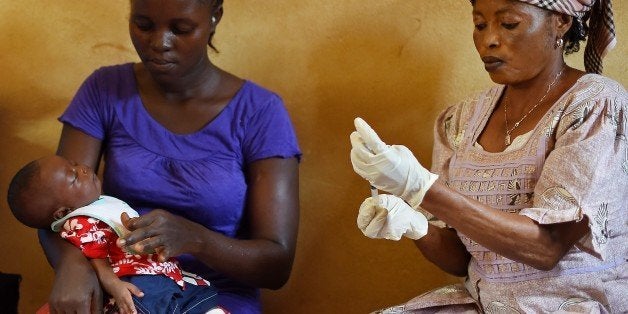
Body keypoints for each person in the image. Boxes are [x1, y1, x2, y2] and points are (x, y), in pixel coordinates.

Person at [350, 0, 626, 312]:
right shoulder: (462, 120)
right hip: (485, 303)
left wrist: (420, 189)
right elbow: (460, 259)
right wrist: (414, 225)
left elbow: (545, 247)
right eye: (480, 24)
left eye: (508, 24)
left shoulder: (594, 105)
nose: (488, 39)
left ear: (560, 21)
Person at [37, 0, 302, 313]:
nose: (159, 43)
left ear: (215, 16)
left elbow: (276, 265)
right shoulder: (105, 90)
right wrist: (74, 266)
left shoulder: (260, 112)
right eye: (144, 25)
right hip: (121, 287)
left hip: (212, 297)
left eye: (181, 29)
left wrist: (194, 239)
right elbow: (54, 207)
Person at [7, 155, 224, 314]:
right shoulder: (81, 222)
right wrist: (114, 285)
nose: (83, 168)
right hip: (134, 283)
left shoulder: (100, 205)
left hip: (159, 272)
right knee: (154, 304)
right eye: (74, 178)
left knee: (192, 297)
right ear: (63, 212)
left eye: (74, 163)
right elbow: (96, 258)